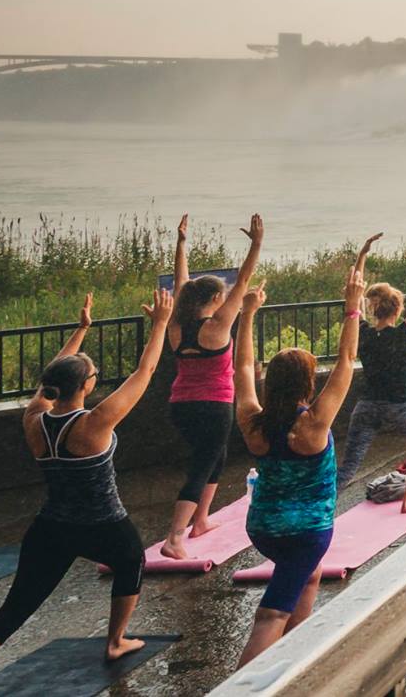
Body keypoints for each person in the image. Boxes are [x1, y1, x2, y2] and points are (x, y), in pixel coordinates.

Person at [0, 289, 173, 665]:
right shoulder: (95, 423)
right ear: (86, 386)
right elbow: (145, 372)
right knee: (132, 562)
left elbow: (49, 378)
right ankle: (115, 641)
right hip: (104, 524)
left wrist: (82, 329)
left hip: (50, 528)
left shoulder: (34, 419)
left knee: (15, 608)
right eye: (93, 376)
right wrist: (161, 324)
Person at [233, 267, 361, 668]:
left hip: (263, 528)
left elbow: (242, 370)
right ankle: (242, 686)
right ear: (307, 384)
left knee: (308, 577)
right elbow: (347, 360)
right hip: (305, 533)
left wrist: (247, 314)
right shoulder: (312, 425)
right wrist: (353, 308)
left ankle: (290, 662)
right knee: (272, 613)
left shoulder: (253, 421)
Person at [161, 211, 265, 561]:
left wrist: (181, 244)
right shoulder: (217, 326)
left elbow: (182, 284)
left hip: (181, 405)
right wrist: (257, 244)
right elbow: (244, 280)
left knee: (215, 456)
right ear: (216, 299)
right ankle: (174, 537)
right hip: (213, 405)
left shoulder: (176, 325)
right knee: (203, 465)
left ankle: (201, 520)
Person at [336, 229, 406, 514]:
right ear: (397, 310)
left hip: (367, 407)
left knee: (349, 466)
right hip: (401, 407)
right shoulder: (404, 334)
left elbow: (355, 296)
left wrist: (362, 255)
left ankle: (321, 507)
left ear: (374, 310)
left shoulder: (362, 331)